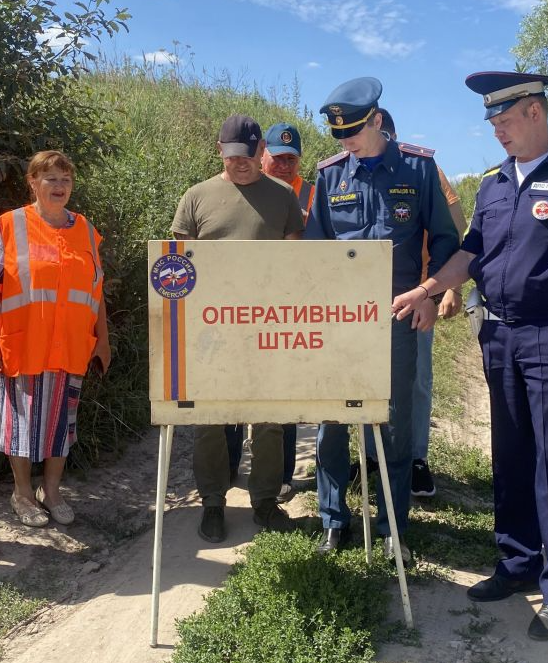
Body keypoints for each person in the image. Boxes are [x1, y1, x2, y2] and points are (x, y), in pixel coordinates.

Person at [392, 71, 548, 640]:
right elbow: (471, 253)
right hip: (497, 334)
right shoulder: (495, 183)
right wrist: (426, 290)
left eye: (504, 121)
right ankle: (516, 560)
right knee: (512, 454)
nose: (497, 132)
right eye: (492, 124)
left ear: (536, 112)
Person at [304, 77, 460, 564]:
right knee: (332, 421)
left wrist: (434, 293)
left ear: (376, 120)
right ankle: (334, 520)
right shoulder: (330, 176)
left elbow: (446, 239)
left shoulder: (419, 167)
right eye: (338, 135)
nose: (345, 142)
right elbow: (314, 253)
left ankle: (394, 524)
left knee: (394, 423)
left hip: (397, 313)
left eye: (352, 131)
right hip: (340, 321)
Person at [172, 114, 305, 543]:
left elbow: (293, 267)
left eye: (248, 156)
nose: (240, 164)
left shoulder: (284, 197)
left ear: (259, 151)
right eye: (232, 157)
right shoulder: (196, 198)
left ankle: (265, 502)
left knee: (268, 420)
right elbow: (176, 266)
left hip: (268, 328)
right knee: (211, 419)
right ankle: (213, 502)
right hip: (212, 333)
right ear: (220, 150)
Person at [0, 151, 111, 529]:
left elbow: (96, 291)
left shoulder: (86, 229)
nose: (59, 186)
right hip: (23, 343)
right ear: (32, 182)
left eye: (65, 179)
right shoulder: (10, 225)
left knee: (61, 423)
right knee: (21, 424)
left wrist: (103, 339)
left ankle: (51, 492)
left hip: (70, 345)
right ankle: (21, 494)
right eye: (49, 178)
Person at [225, 122, 316, 502]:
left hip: (288, 309)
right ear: (263, 155)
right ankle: (229, 471)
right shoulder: (240, 189)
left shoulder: (314, 193)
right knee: (229, 395)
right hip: (234, 310)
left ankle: (280, 477)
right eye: (277, 158)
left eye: (291, 159)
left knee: (282, 396)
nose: (284, 165)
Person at [380, 107, 468, 498]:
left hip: (416, 295)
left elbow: (454, 228)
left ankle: (415, 459)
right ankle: (372, 458)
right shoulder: (350, 172)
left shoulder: (423, 170)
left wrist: (447, 289)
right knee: (371, 383)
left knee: (414, 380)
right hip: (365, 303)